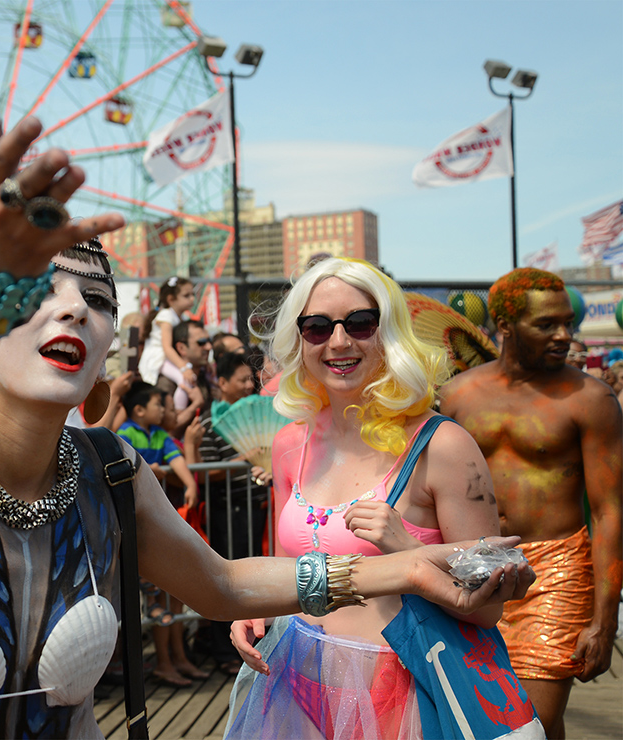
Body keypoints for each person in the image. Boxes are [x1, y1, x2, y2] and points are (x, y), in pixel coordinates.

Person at [0, 96, 532, 739]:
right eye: (32, 289)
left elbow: (223, 584)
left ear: (115, 338)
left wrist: (405, 570)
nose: (74, 308)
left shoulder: (108, 473)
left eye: (97, 298)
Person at [226, 256, 518, 739]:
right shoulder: (288, 446)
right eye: (317, 327)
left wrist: (407, 549)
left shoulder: (442, 446)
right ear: (299, 341)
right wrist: (259, 608)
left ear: (390, 333)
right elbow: (289, 572)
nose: (339, 341)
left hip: (404, 691)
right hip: (296, 685)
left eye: (360, 323)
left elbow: (487, 609)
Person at [441, 268, 622, 739]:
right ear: (505, 325)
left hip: (556, 572)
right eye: (547, 325)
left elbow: (609, 511)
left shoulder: (591, 399)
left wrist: (605, 619)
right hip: (472, 569)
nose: (565, 335)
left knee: (529, 725)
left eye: (567, 322)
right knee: (493, 722)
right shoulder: (457, 396)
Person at [184, 351, 268, 675]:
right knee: (230, 580)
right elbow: (205, 472)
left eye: (251, 379)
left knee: (255, 577)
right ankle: (225, 650)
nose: (249, 385)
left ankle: (254, 639)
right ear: (221, 383)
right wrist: (245, 459)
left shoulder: (257, 414)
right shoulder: (208, 421)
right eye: (242, 379)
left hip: (256, 507)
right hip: (227, 509)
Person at [117, 381, 205, 687]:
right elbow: (129, 464)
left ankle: (179, 658)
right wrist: (150, 469)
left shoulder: (160, 435)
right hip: (143, 530)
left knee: (175, 597)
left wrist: (189, 482)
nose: (163, 410)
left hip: (160, 526)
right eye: (158, 404)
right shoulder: (126, 433)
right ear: (139, 409)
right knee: (157, 598)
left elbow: (174, 458)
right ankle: (165, 662)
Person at [139, 276, 195, 386]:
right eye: (186, 295)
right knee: (185, 381)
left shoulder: (180, 317)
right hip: (159, 359)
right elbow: (167, 347)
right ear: (171, 299)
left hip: (168, 358)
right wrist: (184, 368)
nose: (192, 298)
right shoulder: (166, 316)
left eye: (193, 295)